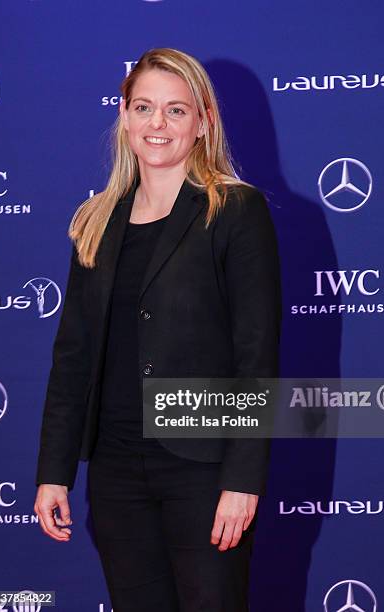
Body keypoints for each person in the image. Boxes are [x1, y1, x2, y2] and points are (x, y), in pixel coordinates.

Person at [34, 47, 282, 611]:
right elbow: (72, 357)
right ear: (124, 118)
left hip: (203, 468)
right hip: (117, 472)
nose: (158, 124)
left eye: (176, 110)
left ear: (202, 123)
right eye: (144, 107)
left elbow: (256, 356)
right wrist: (54, 471)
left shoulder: (234, 211)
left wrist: (242, 479)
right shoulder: (97, 219)